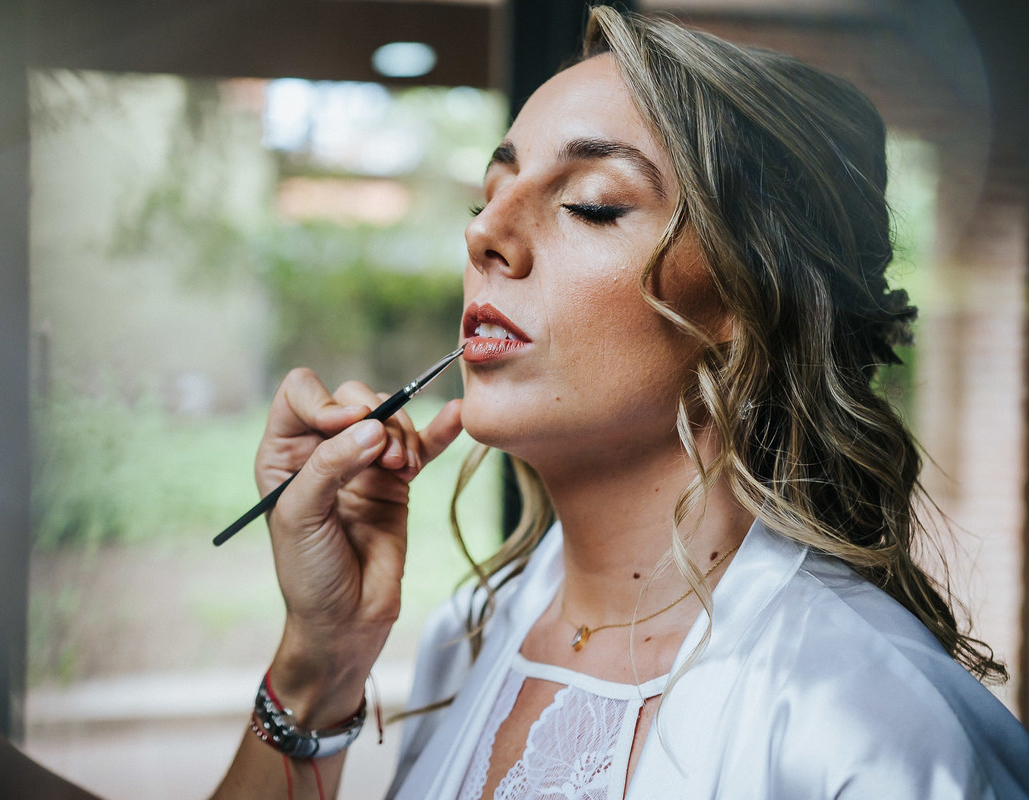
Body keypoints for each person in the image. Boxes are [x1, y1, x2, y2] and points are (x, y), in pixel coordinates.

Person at [215, 7, 1029, 799]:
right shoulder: (465, 636)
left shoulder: (874, 730)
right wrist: (319, 667)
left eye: (591, 204)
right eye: (487, 196)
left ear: (749, 299)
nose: (483, 233)